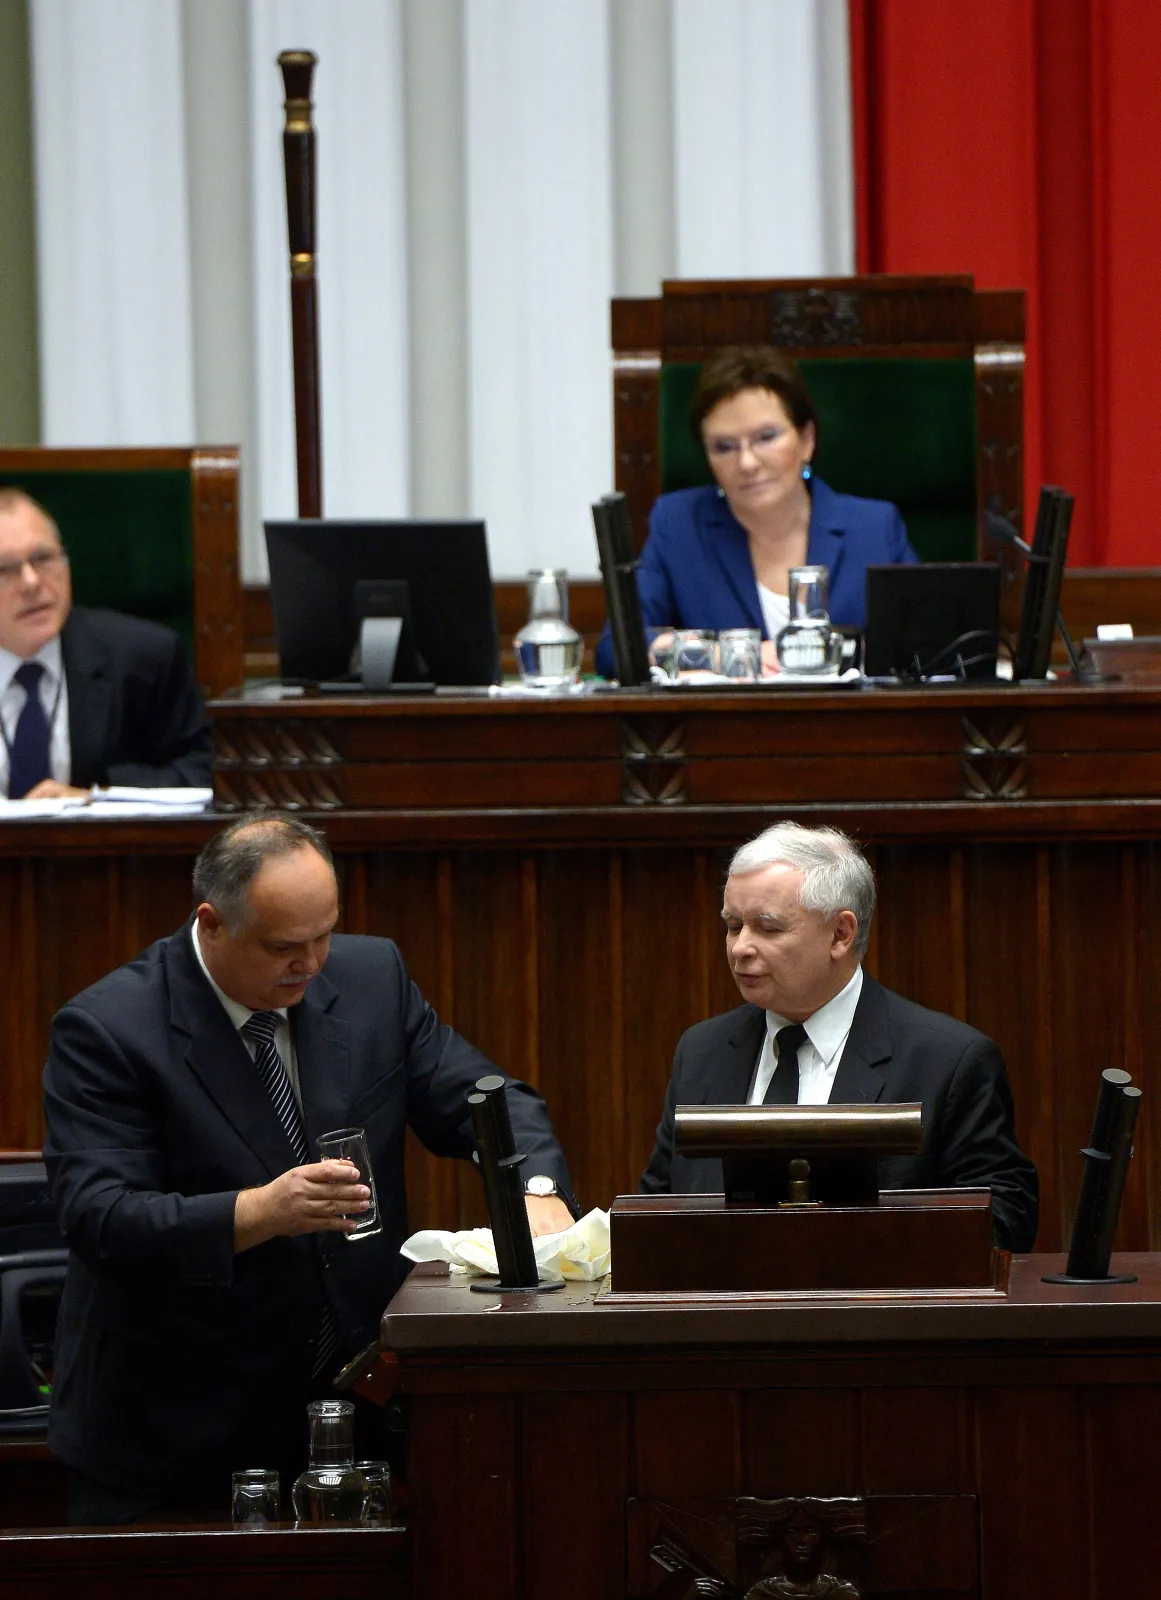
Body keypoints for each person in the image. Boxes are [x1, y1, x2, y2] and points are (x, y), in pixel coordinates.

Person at [43, 813, 576, 1523]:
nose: (312, 963)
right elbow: (99, 1216)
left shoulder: (370, 978)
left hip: (354, 1411)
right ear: (211, 923)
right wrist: (258, 1212)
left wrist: (532, 1189)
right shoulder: (110, 1030)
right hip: (175, 1435)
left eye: (324, 934)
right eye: (283, 946)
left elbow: (486, 1100)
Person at [639, 821, 1037, 1252]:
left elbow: (1004, 1220)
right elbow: (656, 1212)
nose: (740, 948)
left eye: (767, 928)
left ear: (840, 934)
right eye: (734, 925)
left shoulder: (948, 1060)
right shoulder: (702, 1051)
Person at [594, 347, 918, 678]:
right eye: (724, 447)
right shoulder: (678, 525)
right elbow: (615, 650)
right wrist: (721, 655)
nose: (747, 463)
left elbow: (926, 651)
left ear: (807, 439)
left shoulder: (875, 528)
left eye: (766, 437)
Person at [0, 488, 211, 798]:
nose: (32, 582)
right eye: (4, 569)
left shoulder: (144, 658)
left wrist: (100, 797)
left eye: (43, 558)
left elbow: (206, 771)